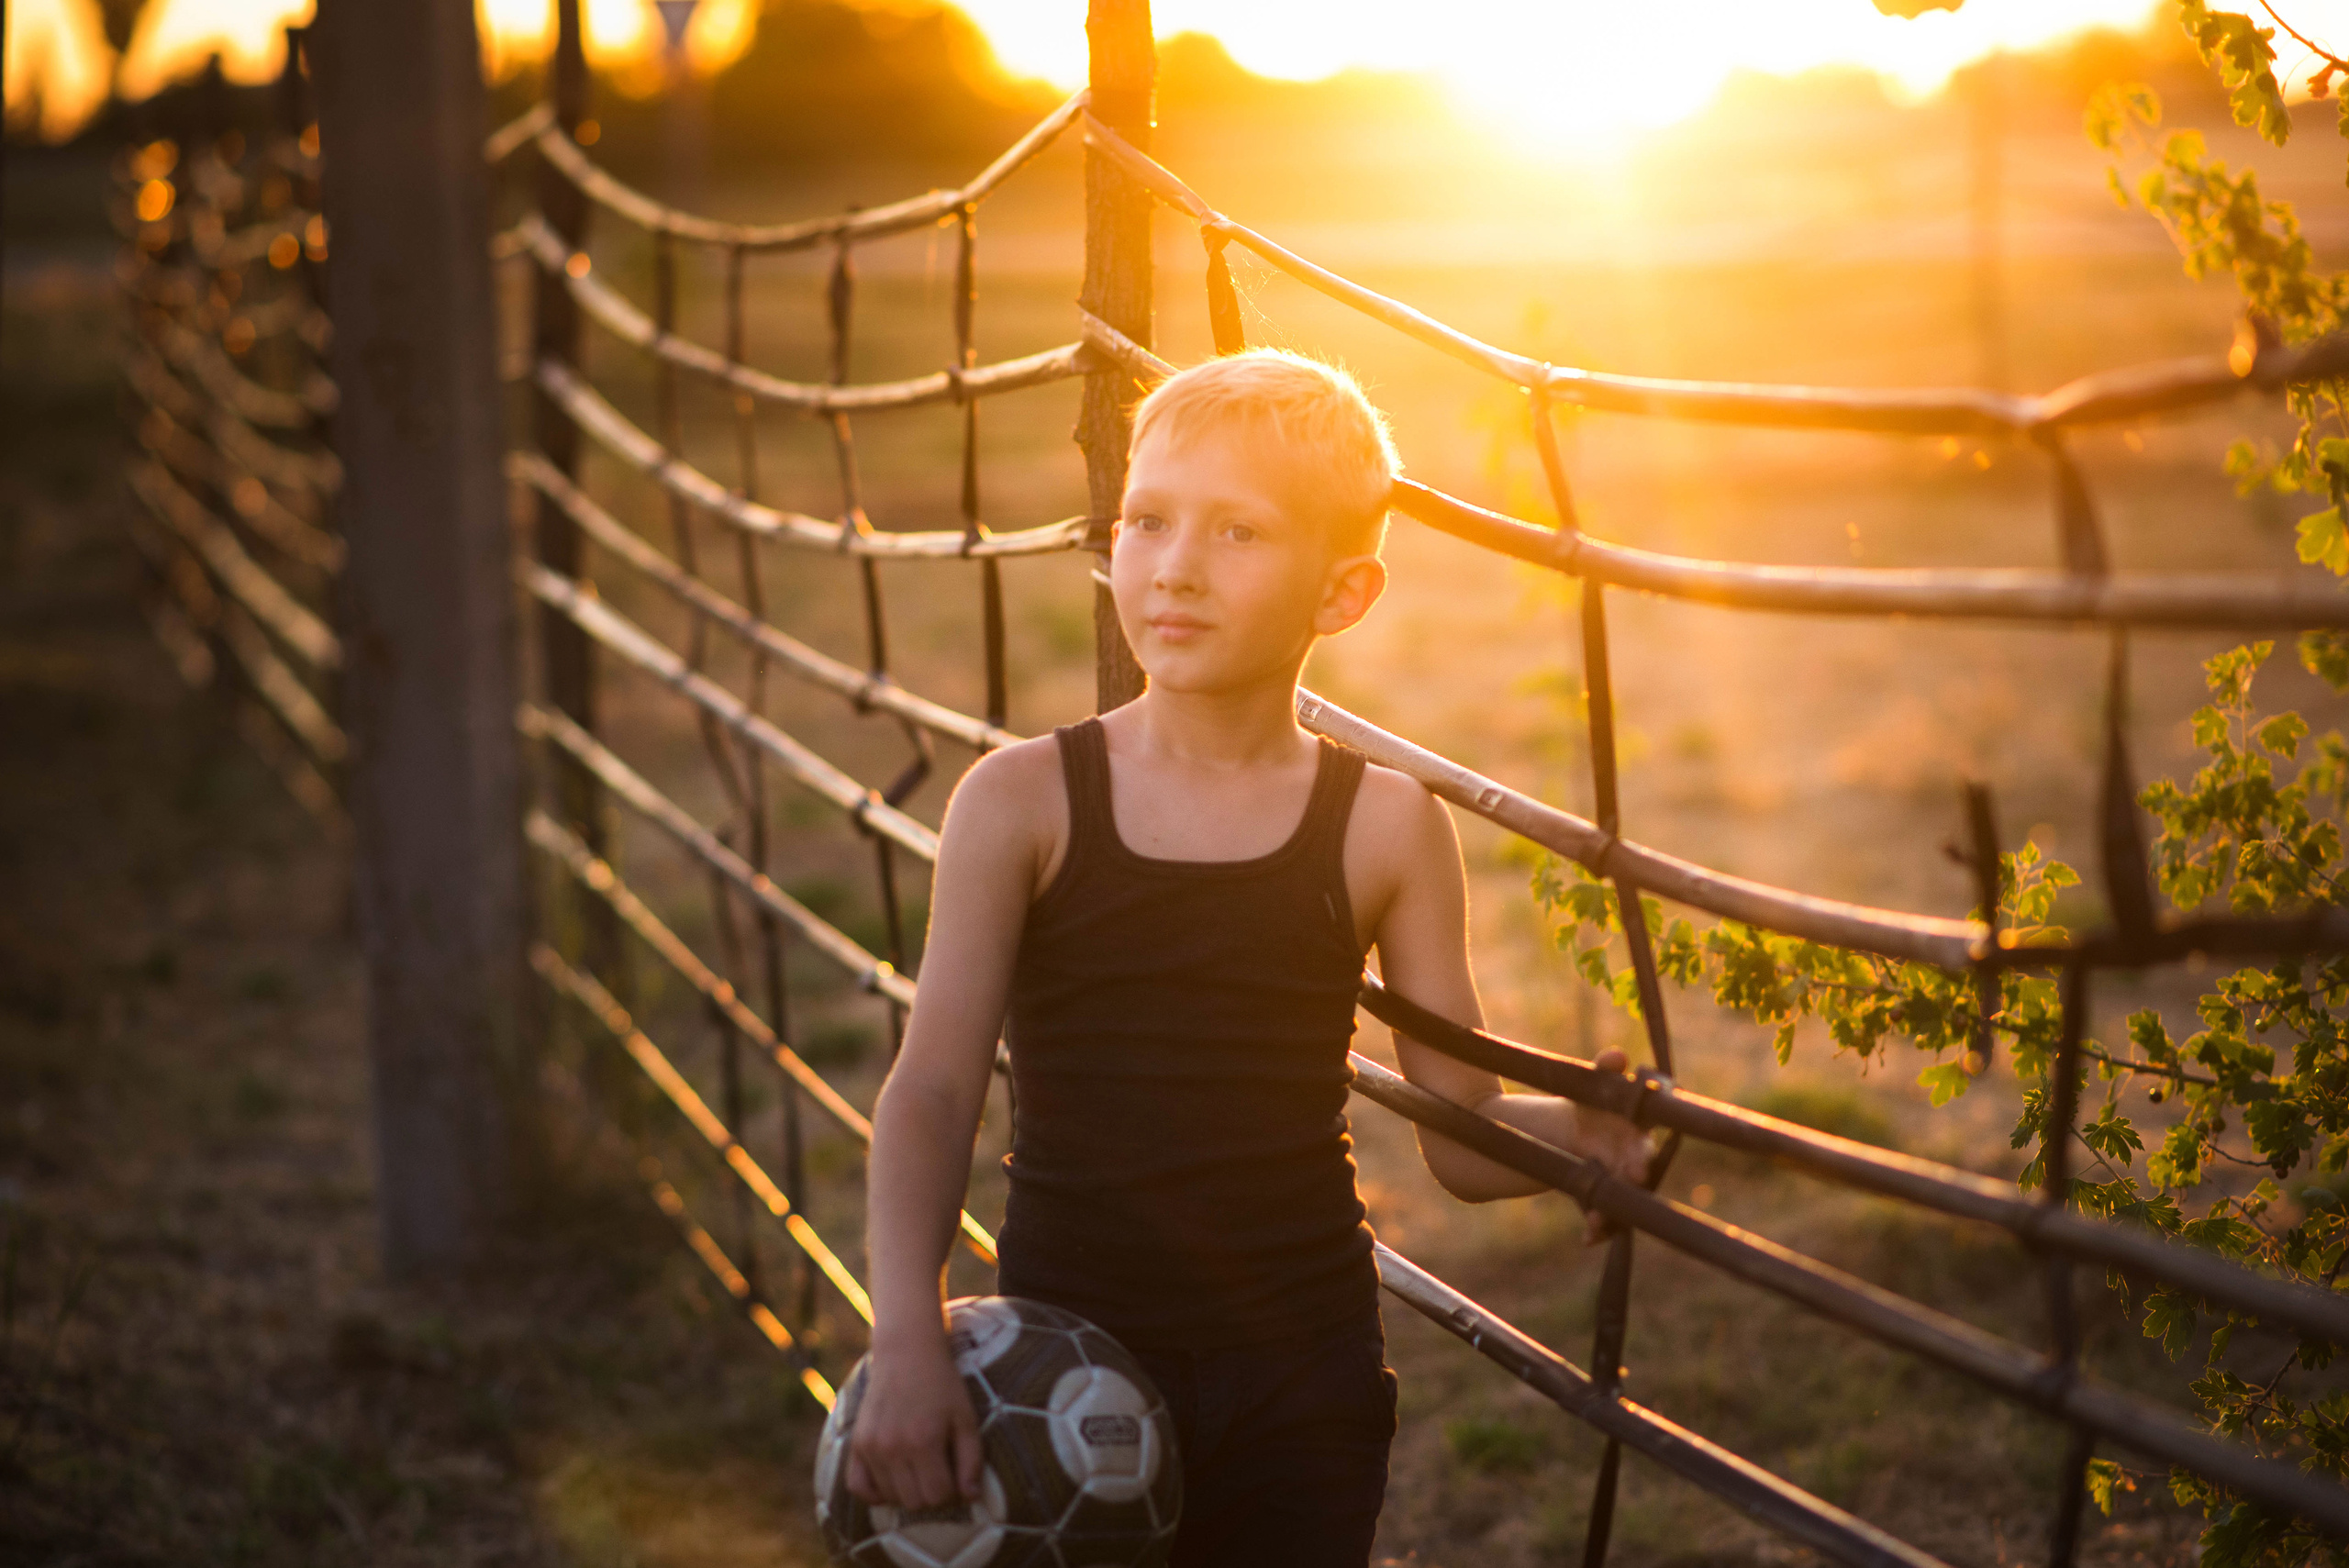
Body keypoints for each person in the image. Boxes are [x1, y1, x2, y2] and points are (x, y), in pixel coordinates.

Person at [847, 349, 1653, 1567]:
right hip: (1061, 1372)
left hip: (1302, 1378)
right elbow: (935, 1086)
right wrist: (906, 1334)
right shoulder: (1023, 803)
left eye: (1238, 532)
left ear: (1343, 594)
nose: (1175, 565)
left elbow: (1460, 1126)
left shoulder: (1384, 823)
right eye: (1149, 520)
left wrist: (1589, 1140)